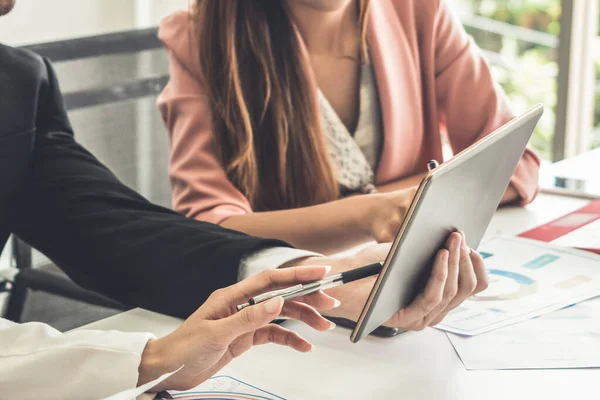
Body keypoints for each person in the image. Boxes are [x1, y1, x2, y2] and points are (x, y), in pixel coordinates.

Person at [0, 0, 486, 397]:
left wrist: (324, 282)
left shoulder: (18, 82)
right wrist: (146, 359)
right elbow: (212, 213)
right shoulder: (206, 36)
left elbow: (118, 232)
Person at [157, 0, 540, 256]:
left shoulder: (417, 10)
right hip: (286, 311)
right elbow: (208, 232)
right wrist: (367, 214)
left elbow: (513, 163)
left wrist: (390, 207)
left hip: (408, 286)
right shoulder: (200, 37)